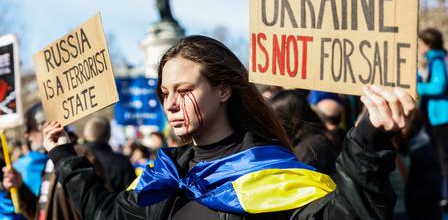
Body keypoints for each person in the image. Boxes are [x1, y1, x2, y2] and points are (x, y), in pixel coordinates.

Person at [42, 35, 415, 219]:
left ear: (222, 90)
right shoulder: (164, 176)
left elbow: (345, 215)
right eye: (164, 92)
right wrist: (62, 152)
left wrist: (369, 137)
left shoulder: (271, 174)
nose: (170, 102)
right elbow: (106, 214)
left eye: (184, 90)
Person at [3, 102, 80, 220]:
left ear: (48, 125)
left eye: (30, 128)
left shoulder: (81, 155)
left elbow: (98, 209)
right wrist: (20, 187)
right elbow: (42, 213)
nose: (27, 136)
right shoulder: (51, 160)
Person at [269, 90, 338, 177]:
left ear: (288, 119)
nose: (273, 125)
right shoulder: (306, 143)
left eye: (277, 119)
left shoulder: (310, 148)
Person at [417, 28, 448, 203]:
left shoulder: (436, 60)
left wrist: (416, 87)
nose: (419, 46)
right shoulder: (437, 58)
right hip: (439, 117)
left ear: (428, 44)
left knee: (442, 157)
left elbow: (439, 86)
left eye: (421, 43)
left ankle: (444, 196)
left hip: (441, 118)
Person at [83, 116, 136, 192]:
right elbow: (133, 195)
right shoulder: (122, 161)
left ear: (85, 134)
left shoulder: (77, 159)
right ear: (108, 135)